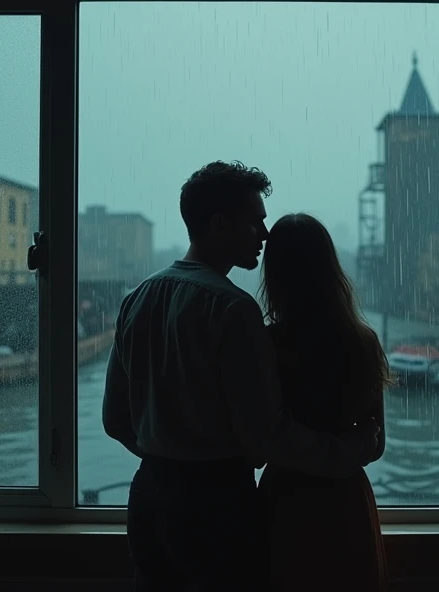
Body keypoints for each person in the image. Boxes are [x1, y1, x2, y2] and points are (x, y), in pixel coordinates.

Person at [101, 161, 380, 592]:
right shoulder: (233, 310)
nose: (264, 236)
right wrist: (348, 449)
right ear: (218, 225)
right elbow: (263, 439)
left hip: (149, 496)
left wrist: (168, 456)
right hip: (216, 504)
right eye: (255, 223)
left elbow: (115, 420)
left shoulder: (135, 301)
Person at [257, 213, 390, 592]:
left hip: (285, 500)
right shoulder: (362, 343)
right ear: (331, 269)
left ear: (275, 276)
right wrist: (352, 442)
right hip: (345, 500)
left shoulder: (266, 344)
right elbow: (376, 446)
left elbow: (259, 438)